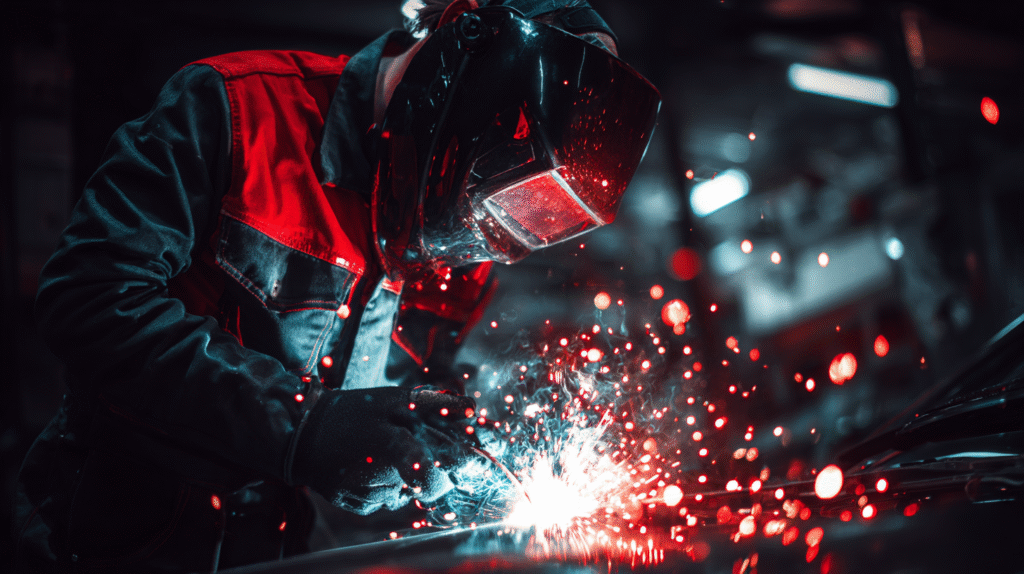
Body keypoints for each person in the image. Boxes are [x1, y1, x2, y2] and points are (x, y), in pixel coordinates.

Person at [11, 0, 660, 571]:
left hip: (292, 554)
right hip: (112, 546)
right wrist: (304, 428)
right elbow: (89, 299)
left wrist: (450, 453)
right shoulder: (235, 109)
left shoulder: (465, 240)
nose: (478, 242)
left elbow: (399, 396)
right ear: (459, 69)